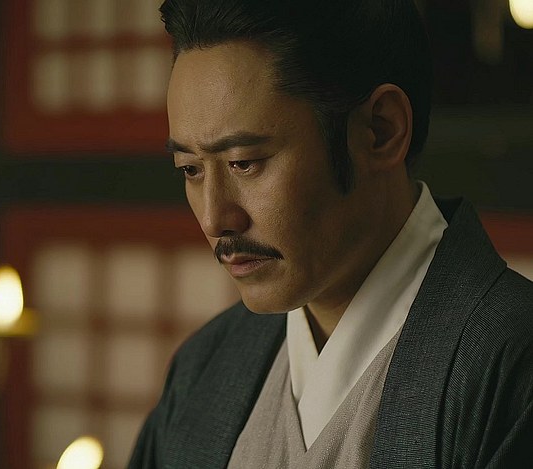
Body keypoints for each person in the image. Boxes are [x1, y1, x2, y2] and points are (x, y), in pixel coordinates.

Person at [128, 0, 533, 467]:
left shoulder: (511, 365)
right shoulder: (205, 366)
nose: (214, 219)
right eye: (190, 169)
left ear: (380, 130)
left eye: (244, 162)